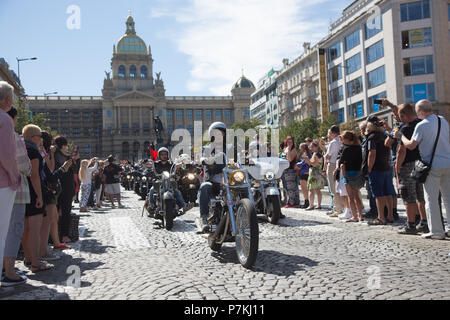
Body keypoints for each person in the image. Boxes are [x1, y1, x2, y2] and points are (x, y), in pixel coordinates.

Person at [397, 100, 450, 240]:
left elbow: (411, 145)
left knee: (431, 199)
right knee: (448, 198)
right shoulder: (443, 120)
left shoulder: (422, 125)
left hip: (431, 165)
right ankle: (449, 228)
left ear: (420, 112)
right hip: (447, 162)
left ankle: (437, 231)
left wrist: (401, 136)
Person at [2, 106, 30, 287]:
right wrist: (14, 176)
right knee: (12, 230)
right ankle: (8, 271)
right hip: (12, 189)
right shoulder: (10, 133)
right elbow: (23, 165)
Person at [22, 124, 54, 273]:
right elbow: (34, 175)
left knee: (26, 229)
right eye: (40, 137)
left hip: (23, 192)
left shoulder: (22, 149)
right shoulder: (33, 152)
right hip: (34, 192)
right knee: (34, 229)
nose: (41, 140)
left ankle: (29, 259)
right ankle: (35, 263)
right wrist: (40, 196)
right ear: (34, 137)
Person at [0, 82, 21, 295]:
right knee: (1, 233)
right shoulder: (4, 120)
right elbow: (6, 155)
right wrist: (15, 178)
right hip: (2, 183)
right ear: (7, 100)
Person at [197, 122, 229, 232]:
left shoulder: (230, 148)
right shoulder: (207, 148)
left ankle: (247, 215)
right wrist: (203, 160)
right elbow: (201, 157)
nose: (219, 136)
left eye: (221, 134)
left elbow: (240, 158)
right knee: (205, 186)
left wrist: (249, 160)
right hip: (214, 181)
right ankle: (204, 217)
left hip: (229, 181)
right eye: (217, 134)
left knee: (244, 188)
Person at [364, 116, 394, 226]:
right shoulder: (384, 135)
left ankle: (381, 217)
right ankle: (390, 215)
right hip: (386, 166)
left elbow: (372, 153)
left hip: (376, 168)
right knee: (387, 192)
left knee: (378, 194)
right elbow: (389, 150)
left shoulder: (372, 137)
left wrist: (369, 168)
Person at [147, 147, 193, 213]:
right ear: (159, 155)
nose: (164, 156)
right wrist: (145, 161)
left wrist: (184, 162)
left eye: (165, 154)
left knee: (177, 191)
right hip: (159, 181)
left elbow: (177, 165)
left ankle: (184, 205)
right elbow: (149, 164)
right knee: (151, 190)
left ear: (167, 155)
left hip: (169, 181)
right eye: (162, 154)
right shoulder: (156, 163)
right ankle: (151, 205)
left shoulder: (171, 164)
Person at [54, 136, 77, 244]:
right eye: (66, 145)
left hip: (59, 189)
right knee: (65, 213)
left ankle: (56, 236)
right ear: (63, 145)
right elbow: (70, 176)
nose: (67, 147)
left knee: (57, 213)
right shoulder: (62, 158)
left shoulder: (56, 156)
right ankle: (64, 235)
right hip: (64, 189)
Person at [337, 131, 365, 222]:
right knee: (357, 196)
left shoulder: (347, 149)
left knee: (350, 197)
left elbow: (341, 162)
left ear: (347, 139)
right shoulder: (359, 148)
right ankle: (360, 215)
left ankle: (354, 217)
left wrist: (342, 164)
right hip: (357, 173)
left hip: (348, 174)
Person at [324, 125, 344, 217]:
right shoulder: (341, 140)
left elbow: (328, 155)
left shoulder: (333, 142)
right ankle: (341, 207)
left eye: (329, 133)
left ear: (332, 133)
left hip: (332, 164)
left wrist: (326, 158)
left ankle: (338, 209)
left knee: (333, 188)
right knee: (339, 187)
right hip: (339, 164)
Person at [304, 142, 325, 210]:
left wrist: (307, 161)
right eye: (310, 147)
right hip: (318, 173)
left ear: (316, 147)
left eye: (312, 147)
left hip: (314, 173)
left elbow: (314, 164)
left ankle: (311, 205)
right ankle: (318, 205)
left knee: (311, 190)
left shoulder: (316, 154)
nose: (310, 148)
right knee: (318, 190)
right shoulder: (319, 154)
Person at [282, 136, 300, 208]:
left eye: (291, 141)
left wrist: (289, 148)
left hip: (291, 169)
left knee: (291, 187)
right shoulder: (285, 149)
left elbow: (289, 159)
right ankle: (295, 201)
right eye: (288, 141)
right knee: (290, 186)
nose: (289, 143)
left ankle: (292, 202)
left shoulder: (293, 149)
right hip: (285, 169)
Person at [296, 143, 310, 209]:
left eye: (300, 147)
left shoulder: (305, 155)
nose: (299, 149)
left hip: (304, 173)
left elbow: (301, 164)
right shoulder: (308, 154)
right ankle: (307, 202)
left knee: (304, 189)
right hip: (305, 173)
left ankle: (307, 202)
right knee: (305, 189)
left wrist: (297, 164)